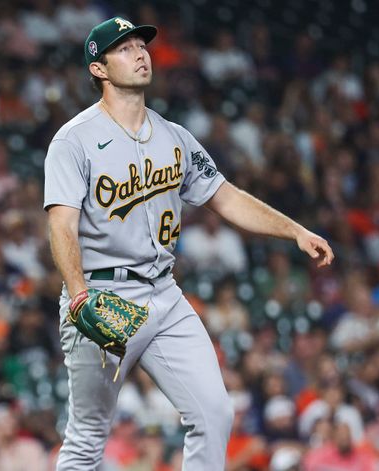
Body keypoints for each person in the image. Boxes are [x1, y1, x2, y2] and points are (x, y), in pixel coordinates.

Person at [43, 16, 334, 470]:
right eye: (124, 48)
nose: (140, 53)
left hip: (164, 293)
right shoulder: (73, 140)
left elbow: (227, 197)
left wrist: (295, 229)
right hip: (101, 295)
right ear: (98, 68)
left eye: (142, 44)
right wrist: (79, 295)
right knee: (85, 443)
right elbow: (61, 225)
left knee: (214, 413)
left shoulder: (174, 136)